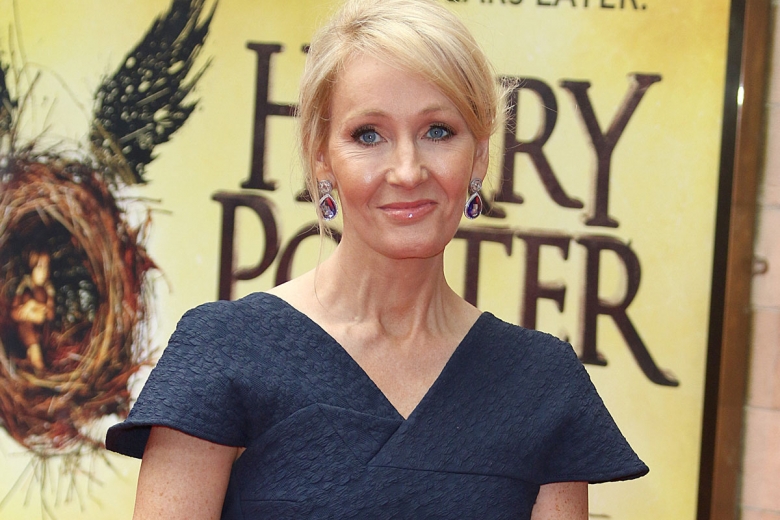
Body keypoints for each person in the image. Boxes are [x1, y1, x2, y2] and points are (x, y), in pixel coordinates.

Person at [106, 0, 648, 518]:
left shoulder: (541, 382)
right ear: (322, 157)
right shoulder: (225, 349)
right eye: (369, 135)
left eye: (438, 131)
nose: (408, 171)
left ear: (480, 154)